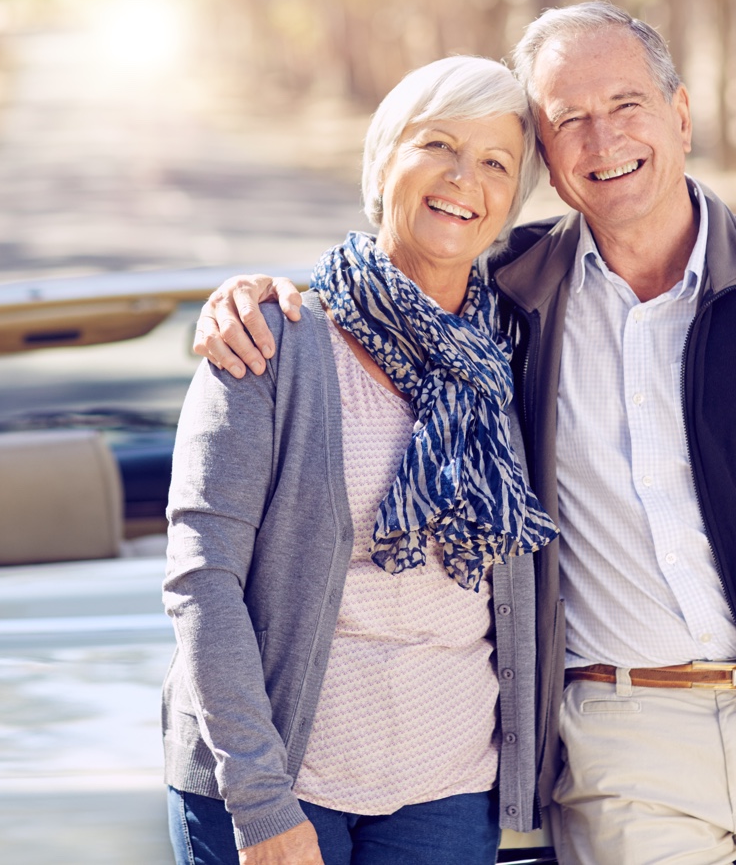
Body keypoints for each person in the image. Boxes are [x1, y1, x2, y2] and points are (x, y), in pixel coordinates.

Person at [192, 1, 736, 865]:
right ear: (548, 161)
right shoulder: (506, 302)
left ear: (683, 115)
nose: (602, 140)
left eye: (627, 105)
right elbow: (387, 285)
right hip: (625, 750)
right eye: (568, 122)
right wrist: (251, 297)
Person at [163, 55, 557, 865]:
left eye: (494, 163)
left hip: (448, 787)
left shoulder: (513, 352)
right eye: (437, 146)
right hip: (279, 781)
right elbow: (203, 581)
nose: (462, 179)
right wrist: (262, 805)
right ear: (384, 162)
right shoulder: (273, 340)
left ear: (510, 203)